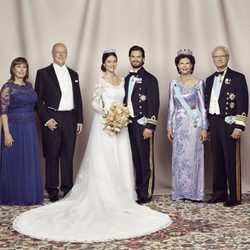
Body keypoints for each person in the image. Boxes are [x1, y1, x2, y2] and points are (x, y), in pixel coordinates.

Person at [13, 49, 172, 242]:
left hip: (121, 127)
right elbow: (95, 103)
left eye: (115, 61)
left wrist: (121, 115)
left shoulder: (124, 80)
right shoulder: (100, 81)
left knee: (121, 158)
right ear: (103, 63)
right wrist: (109, 113)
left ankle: (126, 193)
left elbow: (128, 103)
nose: (112, 64)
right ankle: (93, 194)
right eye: (109, 61)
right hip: (105, 125)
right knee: (102, 159)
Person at [35, 43, 83, 202]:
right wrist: (46, 119)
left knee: (68, 155)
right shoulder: (43, 73)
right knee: (52, 155)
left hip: (70, 118)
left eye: (63, 52)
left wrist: (79, 119)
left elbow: (78, 98)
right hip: (52, 117)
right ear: (52, 54)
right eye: (57, 52)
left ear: (67, 54)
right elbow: (38, 100)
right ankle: (52, 190)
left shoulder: (74, 74)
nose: (60, 55)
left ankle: (67, 188)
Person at [206, 46, 249, 207]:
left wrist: (239, 126)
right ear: (213, 59)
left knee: (231, 160)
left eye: (222, 56)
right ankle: (219, 194)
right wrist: (208, 127)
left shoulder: (238, 77)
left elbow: (243, 104)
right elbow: (207, 104)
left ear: (227, 58)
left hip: (230, 124)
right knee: (217, 159)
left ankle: (235, 196)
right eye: (216, 57)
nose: (219, 59)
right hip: (215, 123)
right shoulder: (210, 79)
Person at [0, 57, 43, 205]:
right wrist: (6, 132)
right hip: (14, 128)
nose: (21, 69)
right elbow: (3, 111)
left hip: (30, 127)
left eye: (24, 67)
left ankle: (28, 195)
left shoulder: (29, 86)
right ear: (13, 69)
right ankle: (13, 196)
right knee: (15, 161)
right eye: (18, 66)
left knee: (28, 162)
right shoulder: (7, 87)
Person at [167, 49, 208, 202]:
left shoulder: (199, 83)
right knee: (179, 159)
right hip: (178, 125)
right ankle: (180, 192)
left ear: (192, 65)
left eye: (187, 63)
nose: (184, 66)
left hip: (194, 124)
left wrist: (205, 128)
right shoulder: (173, 84)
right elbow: (171, 107)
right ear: (177, 65)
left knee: (194, 157)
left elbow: (203, 108)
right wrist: (169, 127)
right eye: (181, 63)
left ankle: (195, 193)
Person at [124, 45, 160, 204]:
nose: (136, 59)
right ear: (129, 58)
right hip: (128, 124)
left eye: (139, 56)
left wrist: (150, 126)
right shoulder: (125, 79)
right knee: (136, 160)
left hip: (143, 123)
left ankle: (147, 192)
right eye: (133, 56)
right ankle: (138, 191)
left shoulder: (150, 79)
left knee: (146, 160)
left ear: (143, 59)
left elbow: (154, 104)